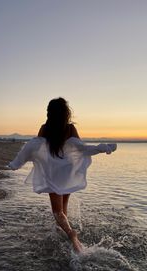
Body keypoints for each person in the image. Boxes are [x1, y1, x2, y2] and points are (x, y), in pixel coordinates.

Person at [8, 98, 117, 253]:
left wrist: (15, 164)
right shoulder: (70, 128)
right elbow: (81, 148)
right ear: (66, 112)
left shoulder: (45, 128)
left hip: (53, 173)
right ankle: (64, 230)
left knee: (57, 211)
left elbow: (34, 147)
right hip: (67, 171)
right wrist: (102, 148)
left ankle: (72, 235)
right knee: (63, 207)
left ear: (49, 112)